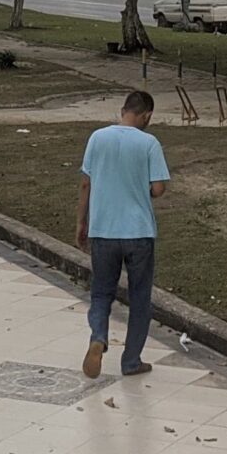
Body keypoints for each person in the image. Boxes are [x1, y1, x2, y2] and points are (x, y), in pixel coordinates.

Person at [77, 90, 169, 380]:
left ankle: (98, 337)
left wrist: (81, 223)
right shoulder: (149, 143)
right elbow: (158, 188)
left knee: (101, 292)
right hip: (138, 232)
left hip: (103, 230)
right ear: (147, 115)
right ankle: (131, 361)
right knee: (140, 297)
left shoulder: (97, 138)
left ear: (122, 110)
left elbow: (86, 184)